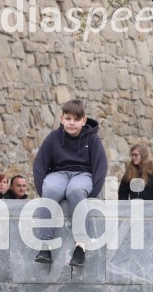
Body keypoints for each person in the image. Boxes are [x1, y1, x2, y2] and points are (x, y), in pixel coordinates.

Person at [32, 99, 108, 267]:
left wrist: (92, 194)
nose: (71, 123)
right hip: (58, 173)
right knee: (51, 190)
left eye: (76, 119)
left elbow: (100, 167)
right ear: (62, 119)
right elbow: (39, 164)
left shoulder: (93, 140)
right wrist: (42, 190)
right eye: (68, 119)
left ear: (84, 120)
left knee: (75, 191)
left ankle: (80, 246)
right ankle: (45, 246)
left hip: (83, 174)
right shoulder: (53, 137)